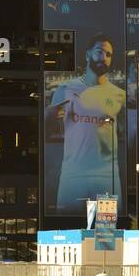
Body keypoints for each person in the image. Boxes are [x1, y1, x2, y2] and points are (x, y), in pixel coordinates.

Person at [44, 31, 126, 213]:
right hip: (72, 177)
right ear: (88, 54)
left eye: (109, 54)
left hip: (107, 178)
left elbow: (126, 132)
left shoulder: (119, 95)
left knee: (107, 239)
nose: (104, 57)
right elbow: (45, 132)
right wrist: (47, 117)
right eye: (99, 51)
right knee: (68, 237)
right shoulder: (64, 89)